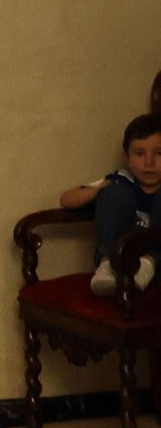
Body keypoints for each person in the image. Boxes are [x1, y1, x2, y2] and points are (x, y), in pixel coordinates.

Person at [61, 113, 161, 296]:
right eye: (139, 154)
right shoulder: (122, 180)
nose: (149, 162)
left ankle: (148, 263)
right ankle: (106, 265)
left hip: (156, 264)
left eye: (159, 153)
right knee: (114, 191)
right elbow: (66, 200)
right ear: (127, 156)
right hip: (123, 260)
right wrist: (99, 190)